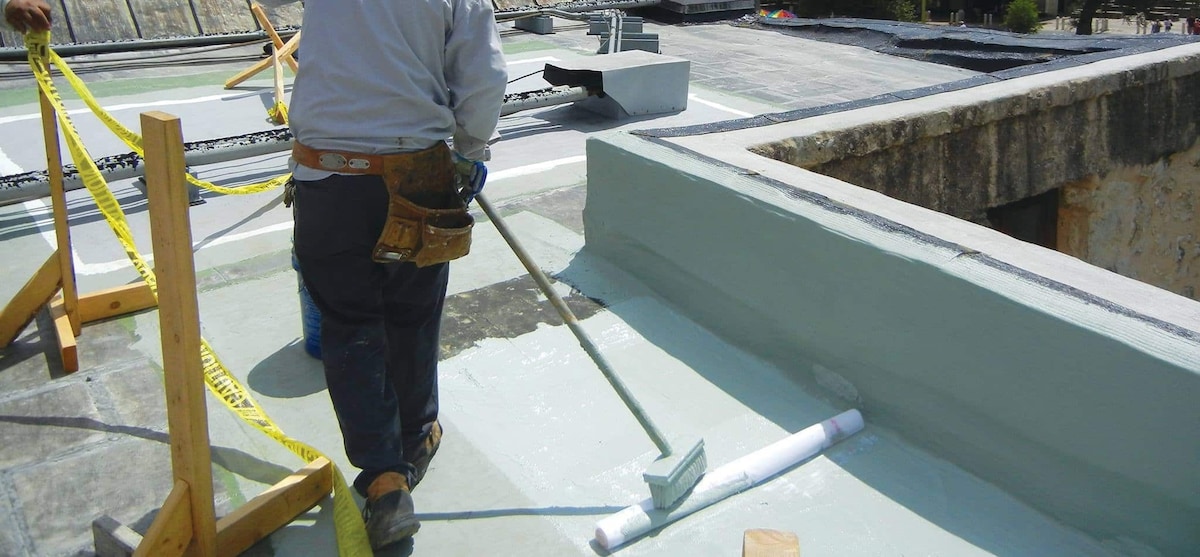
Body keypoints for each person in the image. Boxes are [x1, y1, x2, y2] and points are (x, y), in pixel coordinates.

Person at [286, 0, 507, 551]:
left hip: (325, 176)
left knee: (349, 326)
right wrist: (472, 150)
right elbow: (484, 78)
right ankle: (414, 439)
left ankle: (385, 482)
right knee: (410, 314)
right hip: (416, 177)